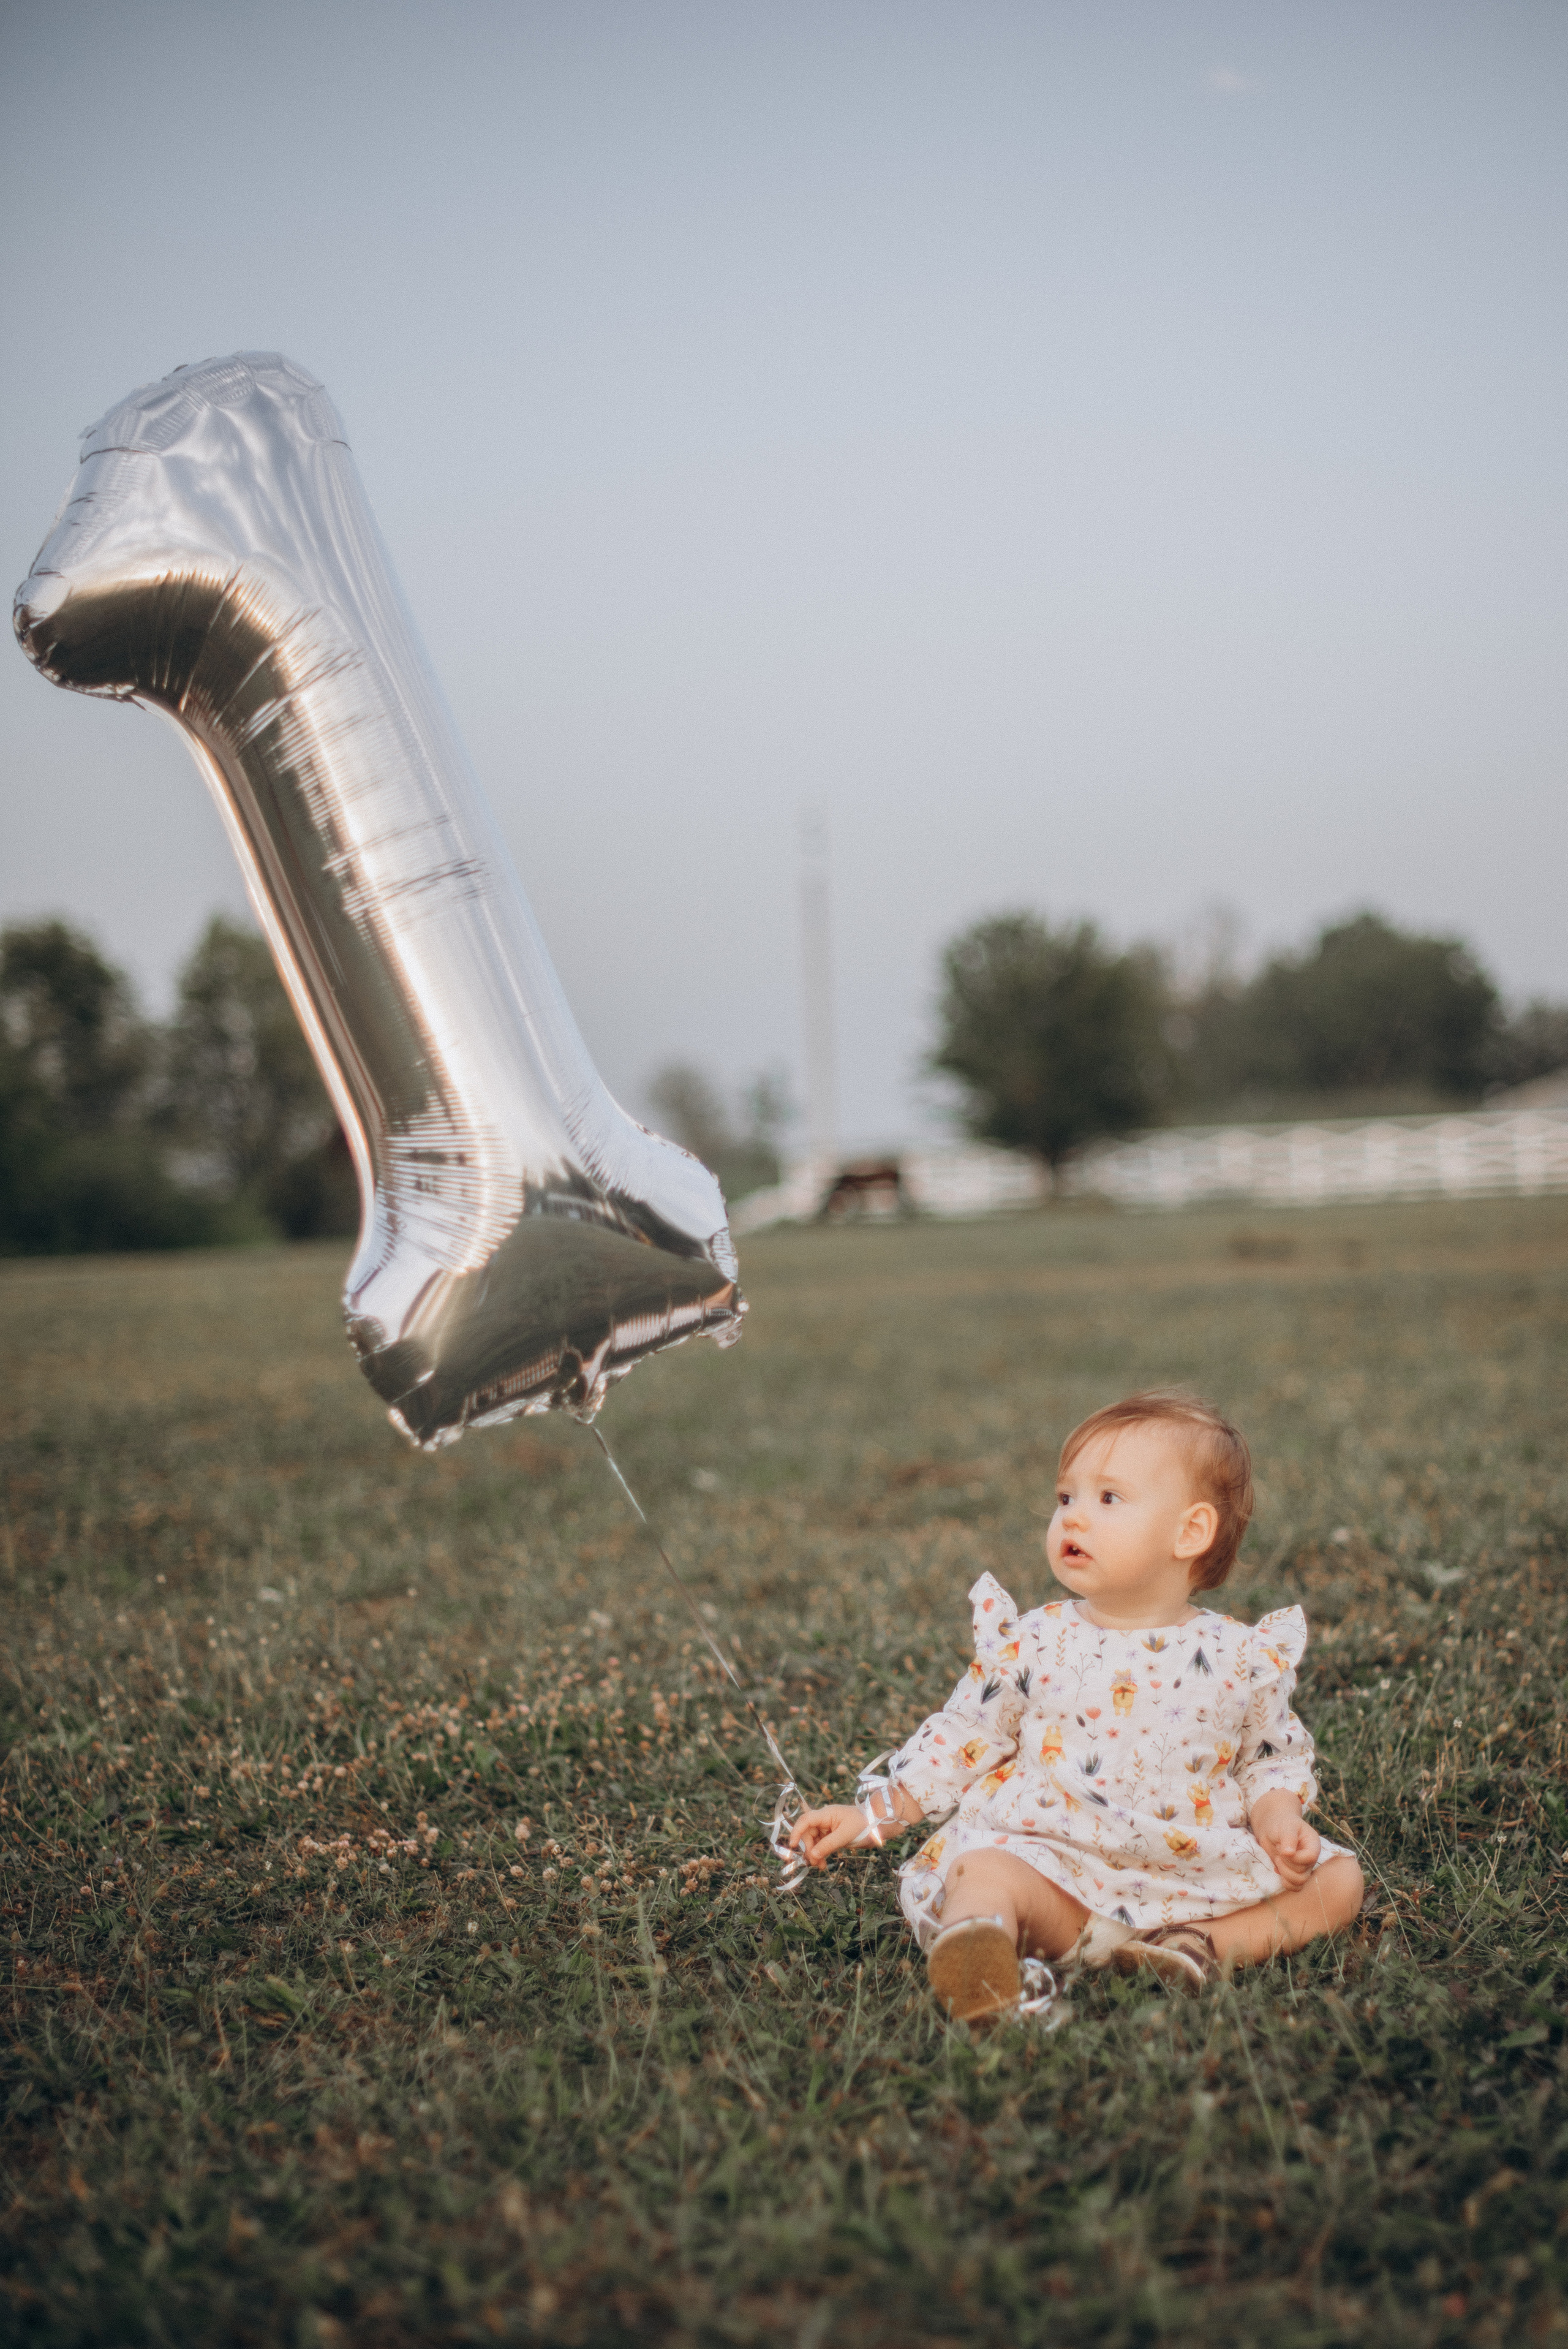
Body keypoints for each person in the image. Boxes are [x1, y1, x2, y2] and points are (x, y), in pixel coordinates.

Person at [789, 1391, 1366, 2020]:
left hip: (1193, 1878)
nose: (1073, 1518)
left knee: (1339, 1881)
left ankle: (1195, 1948)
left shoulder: (1240, 1655)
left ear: (1189, 1532)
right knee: (984, 1868)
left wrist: (1278, 1814)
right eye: (1066, 1498)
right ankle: (978, 1951)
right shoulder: (1032, 1641)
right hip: (1056, 1871)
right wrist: (871, 1814)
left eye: (1107, 1498)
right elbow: (963, 1737)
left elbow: (1268, 1758)